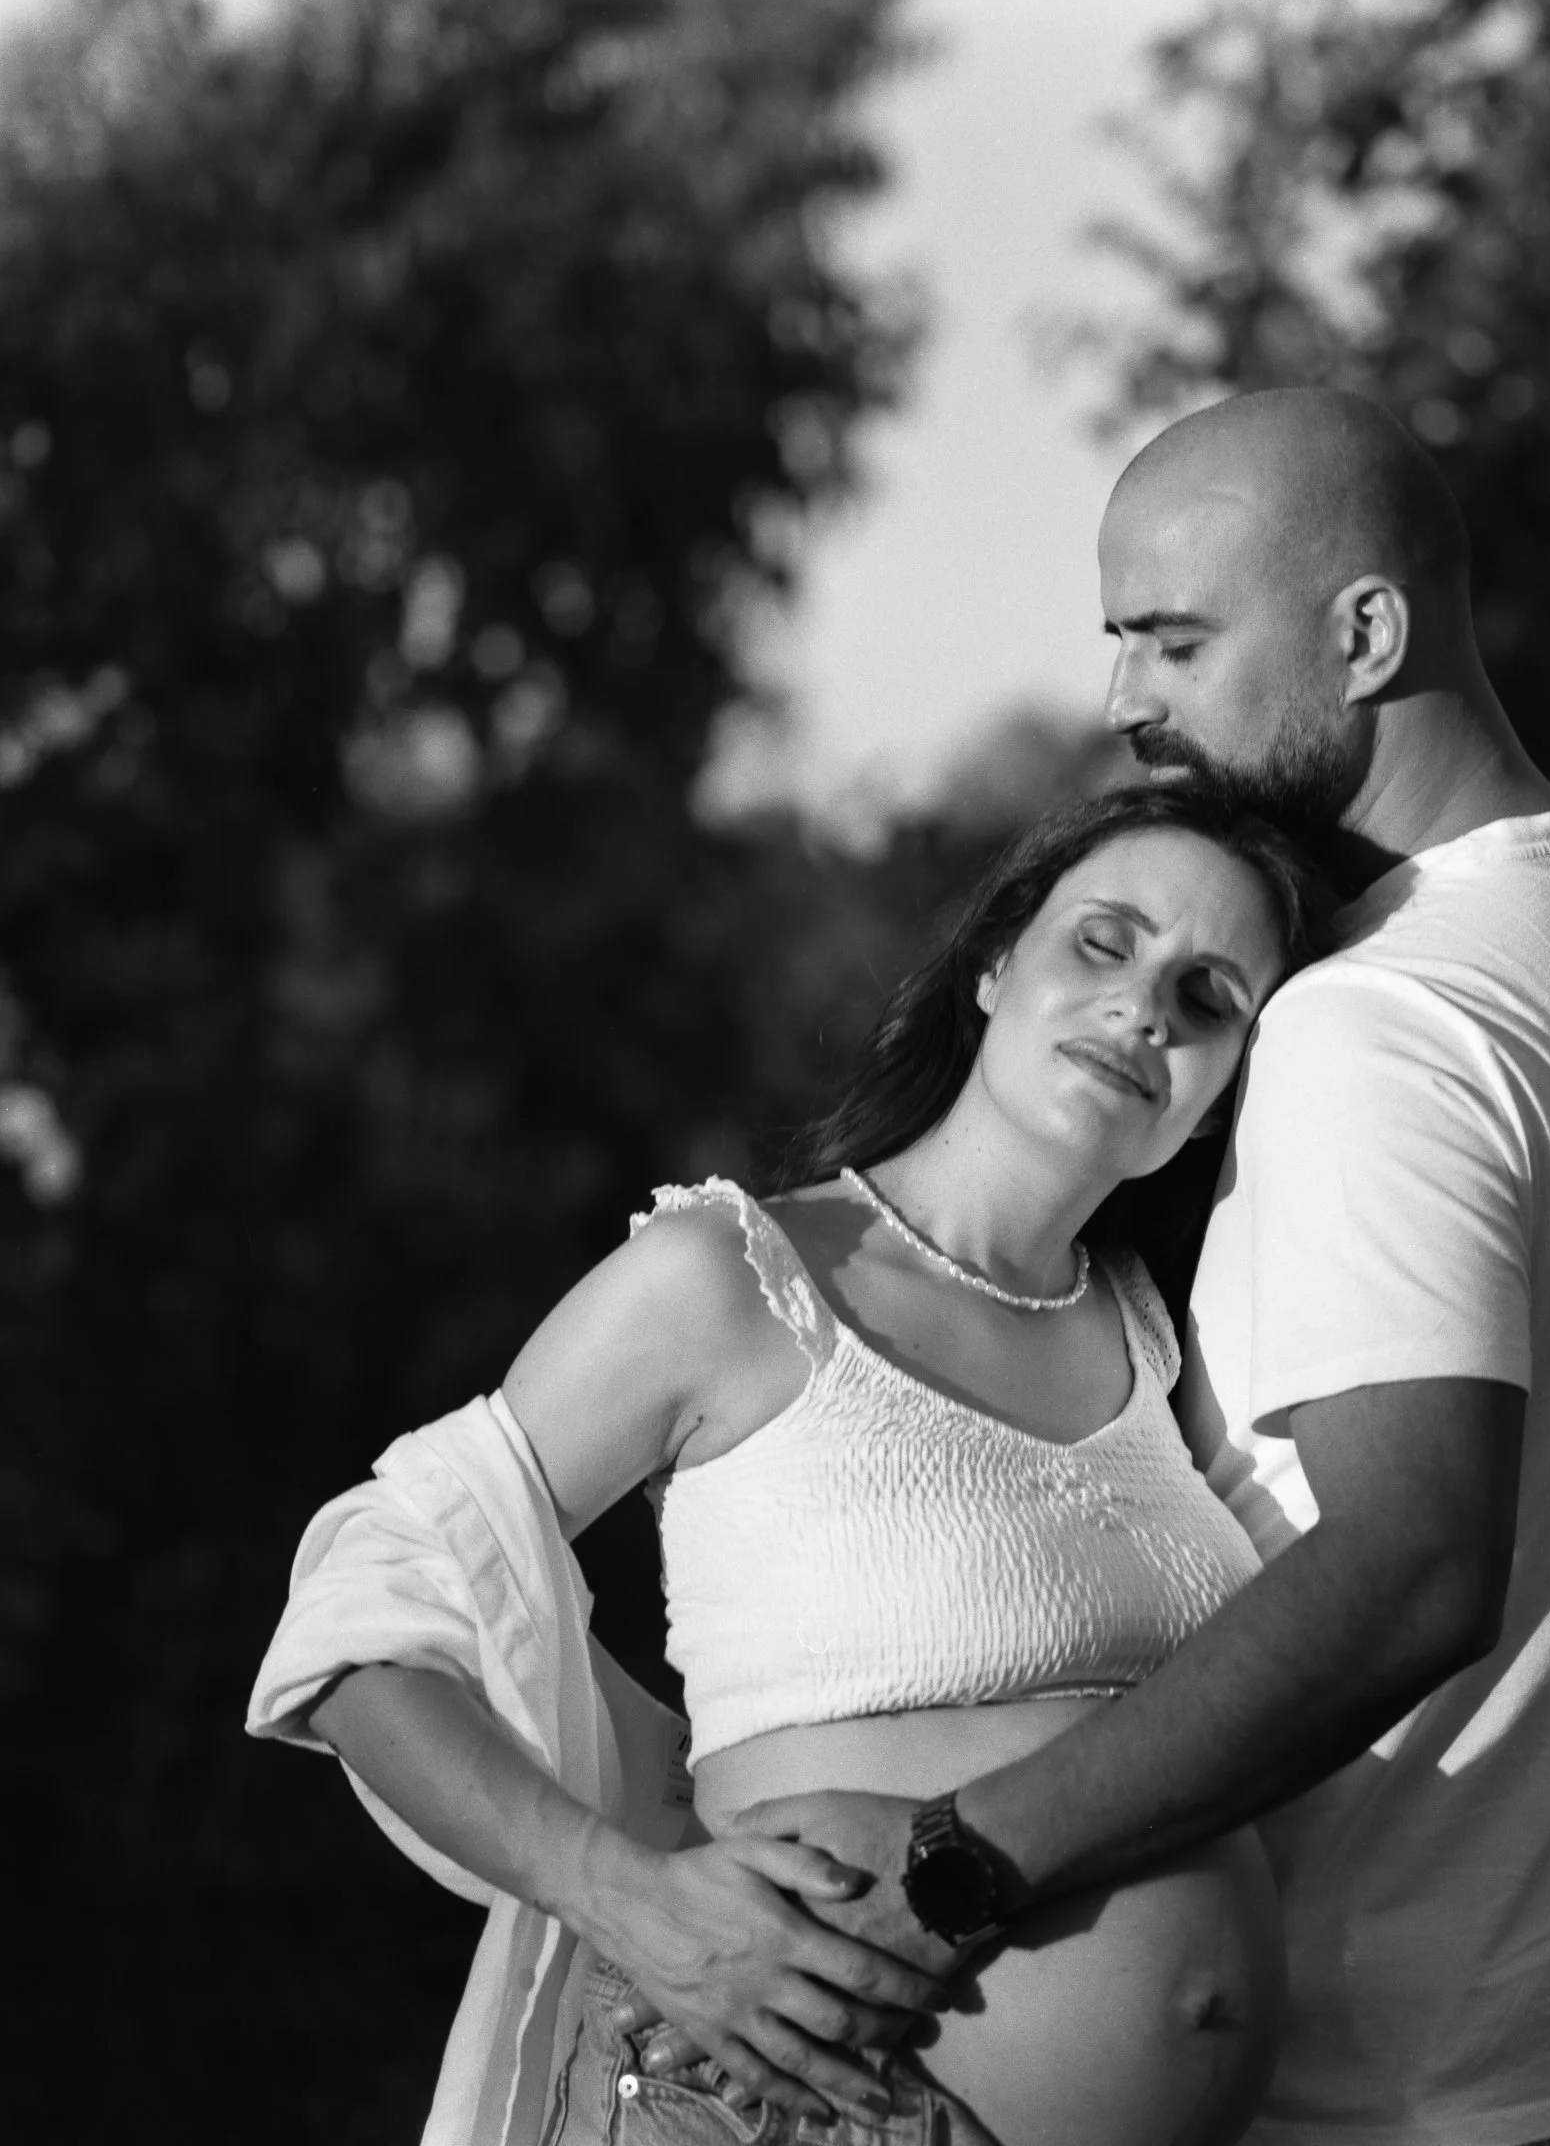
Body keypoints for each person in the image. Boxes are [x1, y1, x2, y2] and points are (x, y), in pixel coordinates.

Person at [684, 387, 1550, 2146]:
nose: (1128, 704)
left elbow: (1413, 1562)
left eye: (1177, 642)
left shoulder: (1384, 1023)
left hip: (1347, 2069)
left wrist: (957, 1872)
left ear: (1366, 634)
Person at [246, 781, 1336, 2146]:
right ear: (994, 968)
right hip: (791, 2110)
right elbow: (363, 1613)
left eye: (1210, 996)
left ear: (1218, 1093)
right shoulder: (738, 1279)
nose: (1145, 1011)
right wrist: (622, 1893)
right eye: (1103, 944)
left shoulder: (1162, 1344)